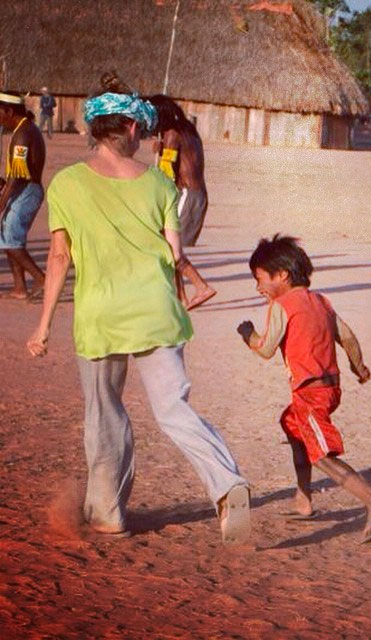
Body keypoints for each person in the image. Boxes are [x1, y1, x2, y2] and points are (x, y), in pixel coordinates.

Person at [26, 87, 250, 544]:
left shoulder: (66, 184)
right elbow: (174, 253)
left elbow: (58, 258)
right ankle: (227, 485)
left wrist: (44, 325)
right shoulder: (160, 184)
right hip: (156, 313)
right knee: (173, 409)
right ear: (130, 128)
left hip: (100, 316)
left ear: (95, 129)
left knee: (104, 414)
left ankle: (108, 514)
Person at [237, 234, 371, 543]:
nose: (258, 287)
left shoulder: (281, 305)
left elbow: (266, 348)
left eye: (260, 279)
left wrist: (248, 334)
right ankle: (303, 499)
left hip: (309, 392)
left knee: (321, 454)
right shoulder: (321, 301)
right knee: (291, 426)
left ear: (281, 275)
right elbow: (347, 337)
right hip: (330, 387)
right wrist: (358, 366)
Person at [148, 94, 215, 310]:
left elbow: (166, 174)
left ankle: (201, 286)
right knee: (169, 244)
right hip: (197, 194)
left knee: (168, 245)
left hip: (187, 195)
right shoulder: (188, 131)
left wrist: (159, 156)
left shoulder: (172, 134)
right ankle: (181, 297)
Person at [0, 91, 46, 300]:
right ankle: (20, 287)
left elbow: (17, 176)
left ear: (8, 111)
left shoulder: (22, 134)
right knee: (9, 240)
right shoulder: (25, 129)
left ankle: (42, 279)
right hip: (24, 190)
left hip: (26, 191)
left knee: (12, 242)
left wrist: (2, 201)